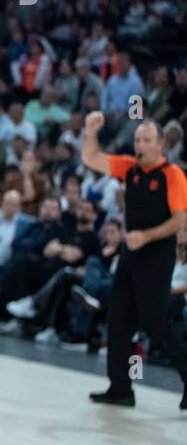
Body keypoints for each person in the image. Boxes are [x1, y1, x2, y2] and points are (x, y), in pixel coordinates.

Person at [81, 112, 187, 409]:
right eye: (138, 139)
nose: (139, 145)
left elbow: (180, 221)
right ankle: (120, 388)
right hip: (131, 256)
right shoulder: (129, 169)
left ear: (161, 145)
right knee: (118, 322)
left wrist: (147, 236)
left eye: (147, 140)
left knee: (155, 325)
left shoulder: (173, 175)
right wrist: (91, 132)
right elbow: (92, 158)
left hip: (157, 256)